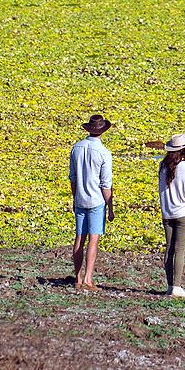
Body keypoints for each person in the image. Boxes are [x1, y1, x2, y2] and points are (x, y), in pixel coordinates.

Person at [69, 114, 114, 292]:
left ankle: (78, 278)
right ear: (102, 131)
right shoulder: (104, 153)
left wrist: (75, 197)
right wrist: (110, 207)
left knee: (79, 237)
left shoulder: (76, 148)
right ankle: (88, 279)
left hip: (80, 198)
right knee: (93, 239)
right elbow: (106, 184)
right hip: (96, 200)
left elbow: (72, 178)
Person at [157, 133, 185, 298]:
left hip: (167, 212)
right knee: (179, 250)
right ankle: (177, 286)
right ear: (184, 150)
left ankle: (169, 285)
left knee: (169, 248)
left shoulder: (163, 166)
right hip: (183, 213)